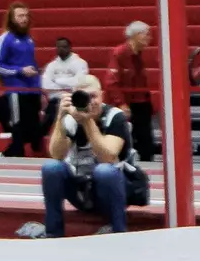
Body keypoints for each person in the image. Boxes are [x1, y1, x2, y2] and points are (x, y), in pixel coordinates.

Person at [40, 75, 148, 237]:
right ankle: (53, 233)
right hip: (84, 188)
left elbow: (108, 157)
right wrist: (60, 117)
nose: (90, 102)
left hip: (116, 187)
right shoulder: (71, 119)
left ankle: (119, 231)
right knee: (51, 168)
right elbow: (56, 154)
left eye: (93, 96)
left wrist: (87, 121)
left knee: (104, 171)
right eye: (84, 97)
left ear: (102, 95)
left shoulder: (115, 117)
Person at [0, 1, 42, 157]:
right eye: (20, 16)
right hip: (16, 89)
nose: (24, 19)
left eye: (26, 15)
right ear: (12, 19)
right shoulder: (5, 38)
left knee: (34, 127)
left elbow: (31, 61)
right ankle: (14, 152)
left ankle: (20, 150)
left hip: (32, 89)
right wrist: (19, 71)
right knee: (18, 124)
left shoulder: (29, 39)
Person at [105, 21, 156, 161]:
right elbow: (111, 82)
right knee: (127, 138)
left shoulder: (139, 54)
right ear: (135, 35)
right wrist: (121, 103)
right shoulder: (120, 53)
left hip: (141, 101)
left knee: (146, 139)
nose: (149, 38)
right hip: (128, 103)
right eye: (146, 35)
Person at [40, 36, 89, 134]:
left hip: (74, 99)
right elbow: (45, 85)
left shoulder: (80, 63)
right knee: (52, 110)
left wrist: (57, 80)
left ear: (70, 47)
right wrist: (67, 84)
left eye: (64, 47)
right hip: (55, 100)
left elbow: (79, 82)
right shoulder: (51, 65)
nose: (61, 49)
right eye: (58, 47)